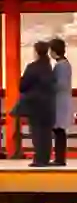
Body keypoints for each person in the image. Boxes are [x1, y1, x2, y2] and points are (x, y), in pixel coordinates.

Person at [18, 40, 53, 168]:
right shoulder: (48, 67)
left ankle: (38, 159)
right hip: (48, 104)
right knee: (46, 132)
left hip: (35, 105)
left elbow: (22, 86)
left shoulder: (33, 67)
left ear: (36, 52)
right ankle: (45, 158)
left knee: (37, 132)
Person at [48, 37, 71, 166]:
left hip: (60, 101)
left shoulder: (60, 66)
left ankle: (60, 158)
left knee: (59, 130)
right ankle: (59, 157)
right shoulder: (64, 64)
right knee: (59, 130)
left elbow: (60, 84)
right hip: (62, 100)